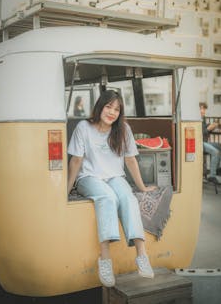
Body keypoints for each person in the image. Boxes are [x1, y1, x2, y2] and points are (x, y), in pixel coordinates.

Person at [67, 90, 156, 287]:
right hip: (88, 177)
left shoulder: (123, 128)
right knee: (108, 197)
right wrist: (66, 190)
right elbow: (76, 161)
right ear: (100, 106)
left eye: (117, 109)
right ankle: (105, 260)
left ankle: (142, 255)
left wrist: (141, 187)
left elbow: (130, 160)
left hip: (115, 176)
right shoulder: (84, 127)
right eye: (108, 106)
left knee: (128, 197)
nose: (112, 112)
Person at [199, 102, 221, 184]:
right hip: (199, 143)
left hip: (204, 142)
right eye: (201, 108)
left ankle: (217, 168)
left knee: (220, 146)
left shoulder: (203, 118)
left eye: (204, 109)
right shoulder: (196, 118)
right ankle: (212, 176)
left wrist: (212, 126)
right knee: (215, 152)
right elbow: (201, 133)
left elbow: (205, 130)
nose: (203, 111)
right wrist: (209, 129)